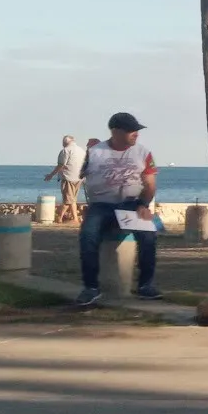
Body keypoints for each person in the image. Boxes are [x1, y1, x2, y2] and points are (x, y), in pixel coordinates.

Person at [77, 111, 161, 306]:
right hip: (101, 204)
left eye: (137, 130)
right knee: (88, 235)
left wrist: (143, 205)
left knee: (149, 235)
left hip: (132, 203)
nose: (136, 134)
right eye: (131, 130)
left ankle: (145, 285)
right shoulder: (95, 151)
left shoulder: (143, 153)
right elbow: (82, 175)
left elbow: (150, 184)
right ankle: (91, 287)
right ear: (115, 131)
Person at [42, 134, 86, 224]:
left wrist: (51, 175)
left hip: (69, 177)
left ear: (66, 142)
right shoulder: (81, 150)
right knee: (72, 199)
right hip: (79, 178)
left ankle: (59, 218)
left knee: (67, 200)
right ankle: (75, 218)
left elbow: (61, 165)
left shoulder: (66, 151)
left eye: (63, 142)